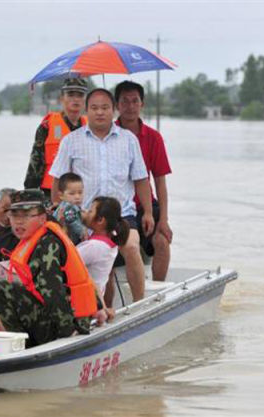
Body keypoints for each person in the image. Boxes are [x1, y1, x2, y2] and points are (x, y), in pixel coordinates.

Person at [49, 88, 154, 304]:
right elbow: (58, 180)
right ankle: (100, 309)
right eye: (94, 108)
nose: (100, 113)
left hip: (122, 215)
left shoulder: (128, 140)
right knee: (100, 264)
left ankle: (140, 303)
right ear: (87, 111)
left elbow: (141, 179)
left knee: (132, 247)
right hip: (85, 216)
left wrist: (149, 212)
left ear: (114, 109)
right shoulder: (71, 141)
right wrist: (58, 211)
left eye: (105, 107)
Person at [0, 190, 107, 348]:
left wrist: (68, 333)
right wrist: (99, 307)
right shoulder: (36, 237)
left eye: (25, 216)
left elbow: (52, 291)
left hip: (66, 323)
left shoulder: (48, 244)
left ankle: (22, 348)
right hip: (61, 316)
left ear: (42, 218)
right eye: (14, 216)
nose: (18, 222)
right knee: (6, 286)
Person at [115, 80, 173, 281]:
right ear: (116, 105)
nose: (130, 107)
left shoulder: (153, 138)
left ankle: (158, 291)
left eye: (135, 101)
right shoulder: (107, 135)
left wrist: (163, 220)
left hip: (144, 205)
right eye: (124, 102)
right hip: (117, 206)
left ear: (142, 104)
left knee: (162, 241)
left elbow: (160, 181)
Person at [24, 78, 88, 197]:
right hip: (52, 193)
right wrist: (30, 194)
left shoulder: (91, 128)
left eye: (80, 95)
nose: (75, 99)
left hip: (81, 194)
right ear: (61, 99)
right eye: (70, 94)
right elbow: (35, 164)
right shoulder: (47, 126)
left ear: (85, 100)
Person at [77, 197, 130, 297]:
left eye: (90, 211)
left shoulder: (94, 246)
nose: (85, 213)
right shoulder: (108, 242)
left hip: (85, 299)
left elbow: (68, 259)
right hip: (95, 297)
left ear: (100, 220)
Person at [53, 173, 87, 245]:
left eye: (80, 192)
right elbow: (71, 220)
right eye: (72, 194)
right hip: (67, 242)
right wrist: (82, 231)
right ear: (61, 195)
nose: (77, 197)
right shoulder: (68, 207)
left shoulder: (73, 206)